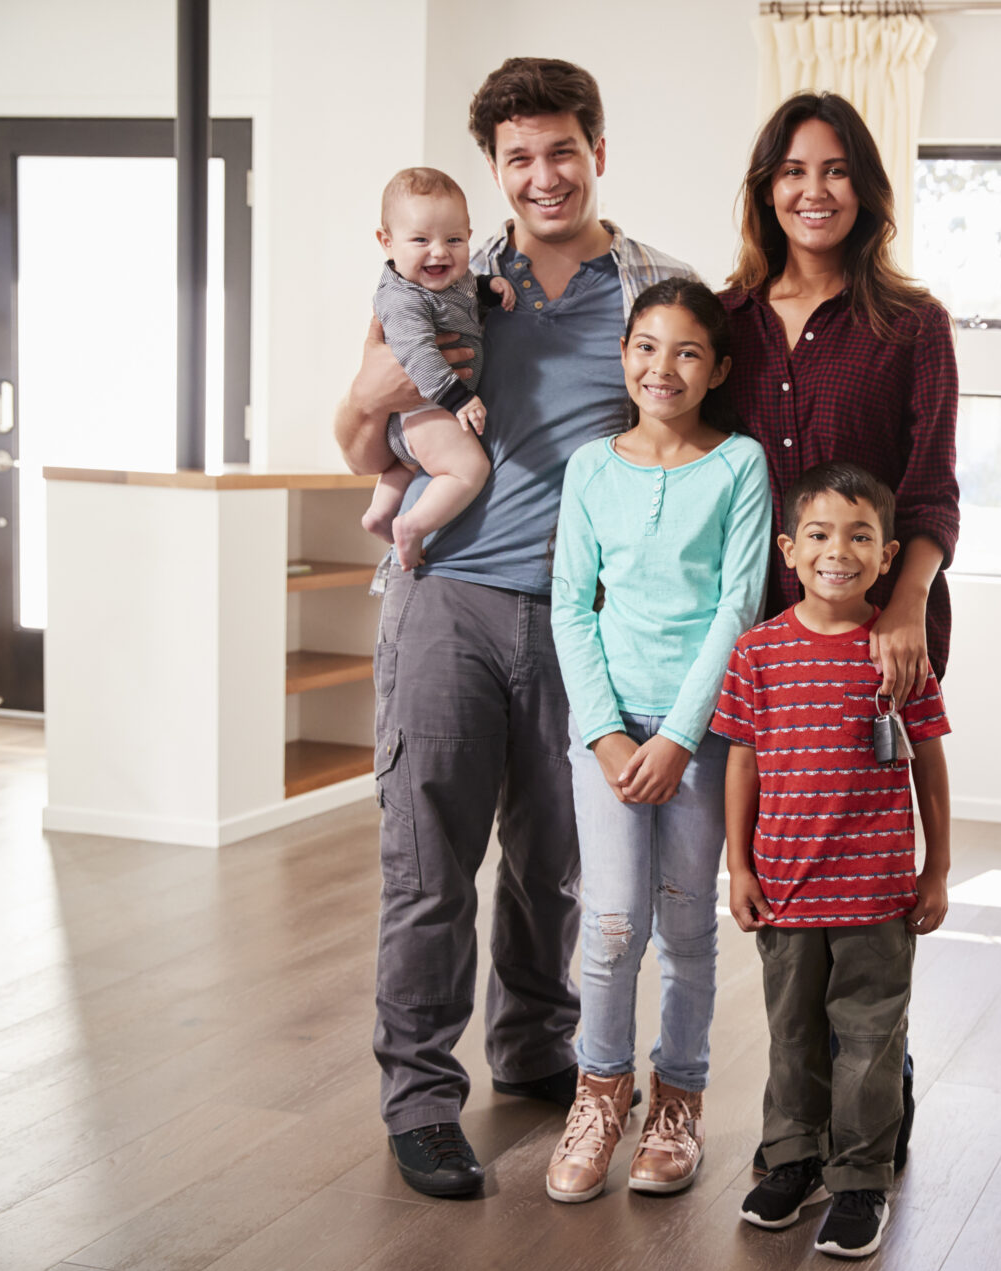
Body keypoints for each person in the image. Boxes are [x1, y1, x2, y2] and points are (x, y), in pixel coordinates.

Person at [331, 57, 692, 1200]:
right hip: (447, 604)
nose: (544, 175)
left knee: (559, 865)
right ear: (494, 171)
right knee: (429, 864)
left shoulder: (655, 291)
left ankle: (535, 1049)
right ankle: (422, 1102)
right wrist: (368, 405)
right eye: (519, 158)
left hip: (585, 624)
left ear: (598, 149)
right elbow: (359, 433)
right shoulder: (441, 275)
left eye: (563, 150)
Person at [721, 89, 959, 1175]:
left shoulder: (912, 324)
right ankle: (797, 1122)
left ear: (864, 189)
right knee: (782, 874)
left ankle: (878, 1072)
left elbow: (932, 492)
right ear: (767, 188)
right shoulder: (724, 320)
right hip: (759, 637)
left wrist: (903, 607)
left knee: (865, 873)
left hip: (879, 628)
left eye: (835, 170)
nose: (812, 191)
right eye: (792, 171)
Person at [542, 279, 770, 1203]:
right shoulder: (591, 467)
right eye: (645, 346)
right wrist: (602, 734)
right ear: (624, 355)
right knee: (609, 923)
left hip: (702, 735)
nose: (661, 367)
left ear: (717, 368)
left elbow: (738, 609)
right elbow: (570, 606)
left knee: (685, 926)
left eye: (685, 352)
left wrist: (680, 737)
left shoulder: (740, 464)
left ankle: (678, 1102)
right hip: (606, 732)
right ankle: (599, 1095)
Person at [715, 462, 952, 1259]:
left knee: (870, 1042)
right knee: (791, 1038)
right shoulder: (757, 653)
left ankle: (859, 1180)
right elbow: (741, 761)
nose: (837, 551)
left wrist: (938, 867)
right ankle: (792, 1160)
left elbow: (928, 759)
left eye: (859, 536)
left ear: (887, 556)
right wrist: (739, 868)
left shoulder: (898, 653)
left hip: (878, 896)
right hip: (785, 891)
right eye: (818, 534)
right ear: (790, 549)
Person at [358, 167, 517, 571]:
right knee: (469, 469)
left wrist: (487, 290)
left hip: (421, 417)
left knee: (410, 464)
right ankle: (410, 527)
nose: (440, 252)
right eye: (420, 240)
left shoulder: (449, 279)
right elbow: (418, 354)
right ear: (386, 242)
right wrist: (458, 399)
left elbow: (460, 296)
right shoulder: (401, 299)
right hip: (430, 406)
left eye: (454, 239)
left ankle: (380, 514)